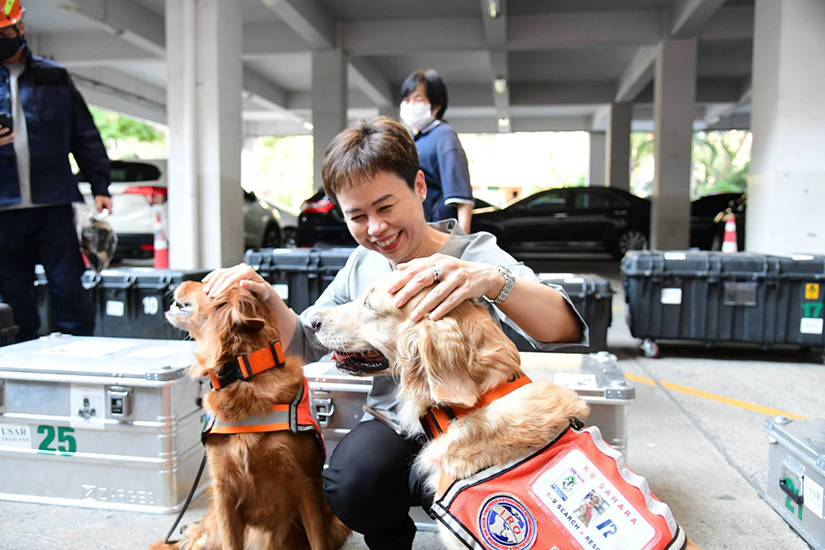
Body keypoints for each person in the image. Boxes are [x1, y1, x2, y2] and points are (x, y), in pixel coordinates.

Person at [203, 116, 588, 550]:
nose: (375, 229)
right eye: (357, 216)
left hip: (473, 422)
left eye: (385, 208)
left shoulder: (474, 253)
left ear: (420, 187)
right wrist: (267, 295)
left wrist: (490, 280)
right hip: (396, 421)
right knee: (351, 482)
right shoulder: (362, 263)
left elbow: (563, 327)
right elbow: (308, 344)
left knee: (477, 493)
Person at [0, 0, 111, 342]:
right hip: (4, 209)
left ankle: (77, 355)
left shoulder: (54, 77)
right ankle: (21, 361)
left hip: (54, 204)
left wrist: (100, 185)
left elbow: (84, 134)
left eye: (3, 32)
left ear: (20, 28)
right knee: (13, 292)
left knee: (67, 286)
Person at [399, 69, 474, 234]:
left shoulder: (443, 136)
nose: (410, 105)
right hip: (416, 232)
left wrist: (462, 243)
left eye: (418, 100)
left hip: (438, 233)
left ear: (436, 106)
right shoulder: (411, 139)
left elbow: (462, 199)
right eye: (406, 100)